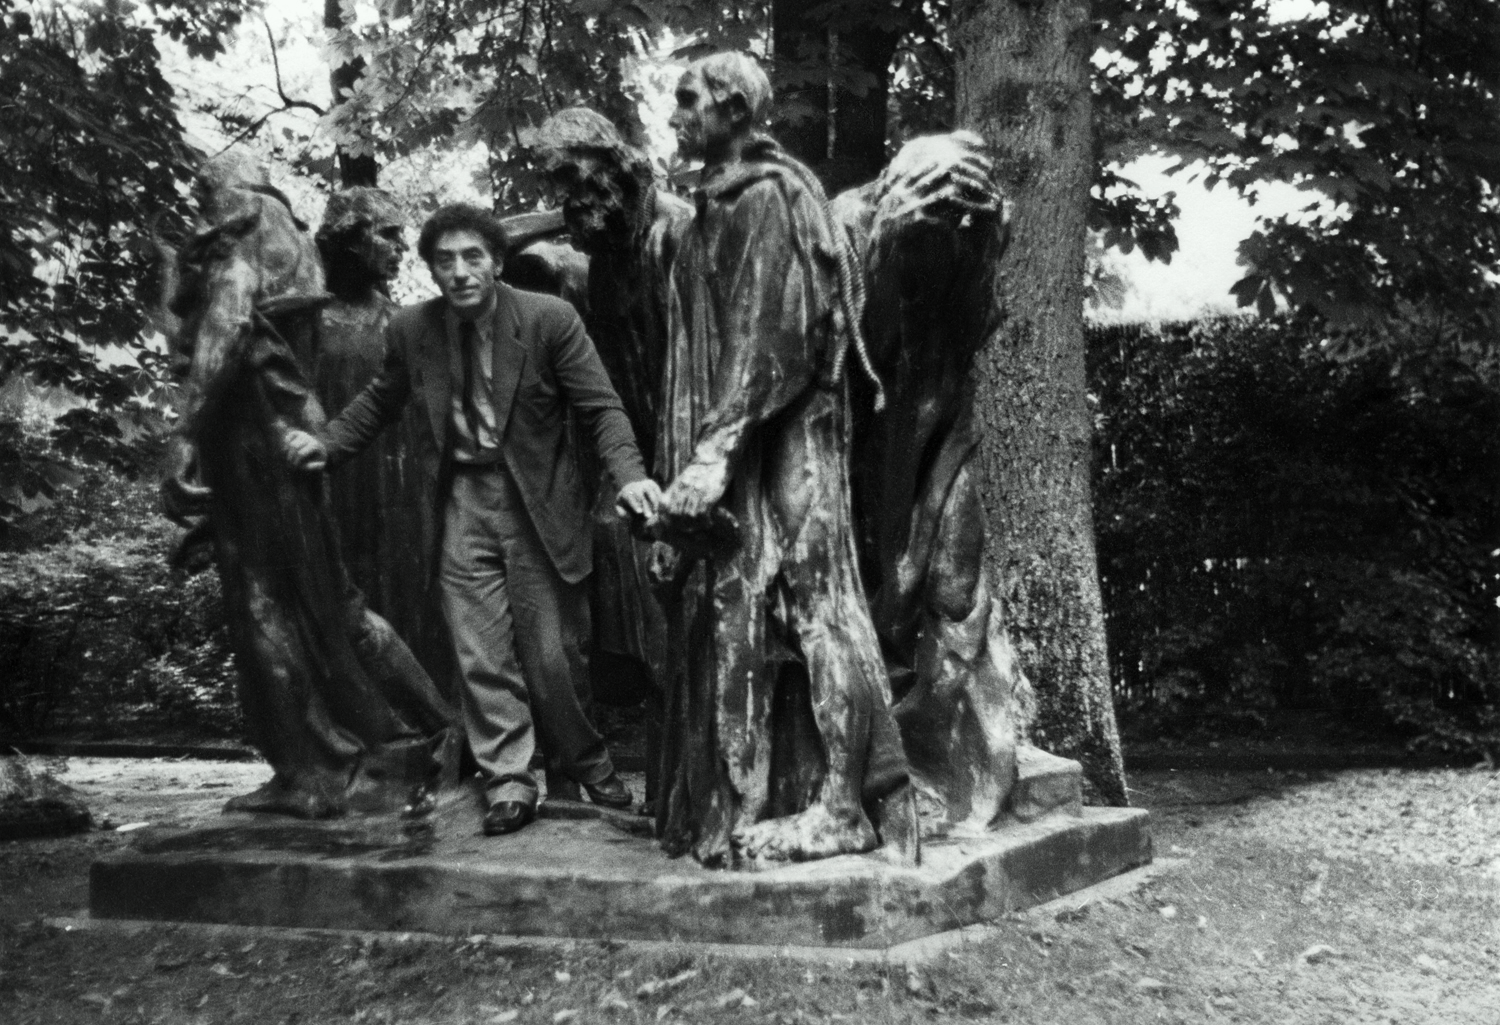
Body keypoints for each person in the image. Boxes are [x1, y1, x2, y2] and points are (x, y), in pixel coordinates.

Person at [285, 203, 663, 837]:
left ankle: (589, 765)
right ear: (431, 269)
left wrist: (631, 478)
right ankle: (509, 779)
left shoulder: (549, 320)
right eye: (444, 260)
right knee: (480, 652)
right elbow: (382, 399)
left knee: (553, 655)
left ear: (495, 262)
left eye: (472, 257)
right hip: (461, 501)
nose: (459, 272)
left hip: (538, 502)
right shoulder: (413, 329)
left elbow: (602, 409)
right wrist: (324, 443)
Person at [650, 53, 910, 866]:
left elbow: (774, 339)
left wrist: (713, 457)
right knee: (779, 609)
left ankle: (848, 805)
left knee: (821, 605)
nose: (677, 117)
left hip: (787, 437)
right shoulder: (713, 207)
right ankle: (757, 794)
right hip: (756, 442)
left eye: (690, 101)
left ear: (732, 107)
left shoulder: (765, 197)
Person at [162, 152, 457, 819]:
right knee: (335, 605)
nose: (201, 208)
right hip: (299, 446)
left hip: (262, 450)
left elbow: (228, 325)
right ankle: (431, 730)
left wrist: (184, 438)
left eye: (203, 193)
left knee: (264, 603)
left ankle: (310, 768)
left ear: (223, 196)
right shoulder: (293, 250)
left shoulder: (241, 251)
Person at [531, 107, 696, 809]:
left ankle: (678, 792)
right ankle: (602, 777)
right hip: (632, 465)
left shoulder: (679, 233)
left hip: (686, 462)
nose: (567, 194)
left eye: (573, 174)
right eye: (555, 182)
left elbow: (703, 369)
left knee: (673, 628)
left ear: (614, 162)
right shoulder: (602, 259)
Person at [312, 188, 454, 695]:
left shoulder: (402, 323)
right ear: (352, 239)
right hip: (328, 483)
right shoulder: (306, 321)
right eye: (388, 233)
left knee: (409, 595)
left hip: (400, 490)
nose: (400, 245)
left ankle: (430, 726)